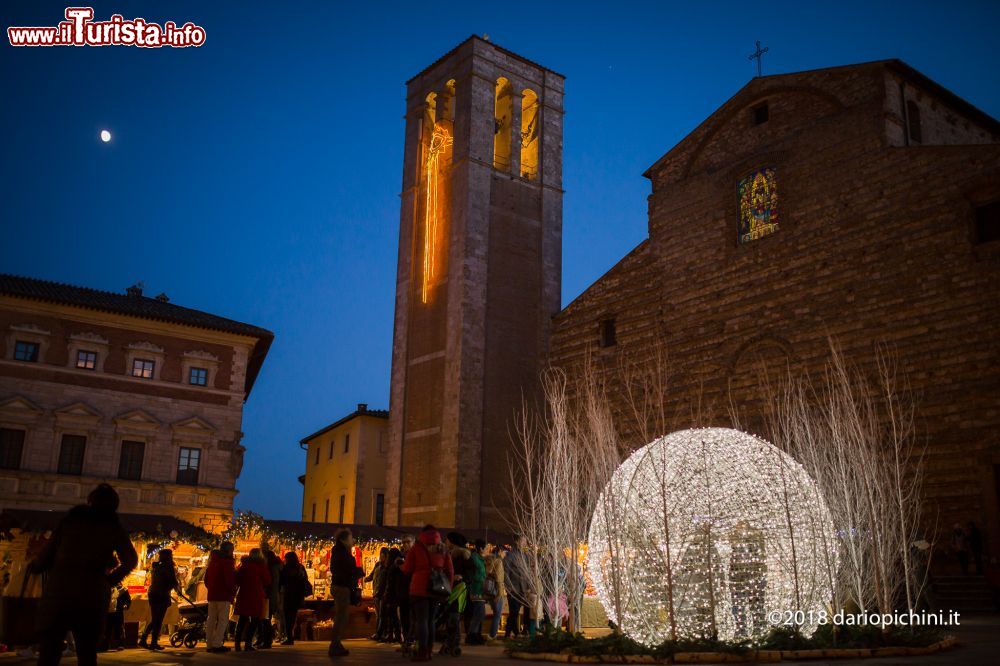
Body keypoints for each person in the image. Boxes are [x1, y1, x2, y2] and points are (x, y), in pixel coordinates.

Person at [29, 483, 138, 666]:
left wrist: (36, 566)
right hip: (91, 594)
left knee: (49, 652)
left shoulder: (71, 520)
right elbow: (130, 560)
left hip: (60, 591)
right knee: (87, 653)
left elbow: (48, 553)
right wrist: (109, 581)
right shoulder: (112, 525)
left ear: (90, 501)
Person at [402, 525, 453, 663]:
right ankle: (429, 651)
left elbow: (407, 570)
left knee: (421, 621)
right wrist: (449, 588)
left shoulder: (416, 548)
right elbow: (450, 571)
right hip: (436, 590)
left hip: (418, 589)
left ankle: (422, 652)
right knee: (430, 621)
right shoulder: (443, 549)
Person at [329, 529, 362, 658]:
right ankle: (335, 644)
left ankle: (337, 644)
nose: (352, 541)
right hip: (342, 587)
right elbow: (347, 570)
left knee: (342, 617)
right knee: (341, 617)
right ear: (343, 540)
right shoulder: (342, 553)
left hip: (340, 586)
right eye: (350, 538)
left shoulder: (339, 552)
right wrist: (357, 571)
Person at [139, 549, 181, 650]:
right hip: (161, 594)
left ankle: (145, 640)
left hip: (153, 593)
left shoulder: (157, 566)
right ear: (169, 556)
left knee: (155, 619)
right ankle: (151, 642)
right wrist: (178, 589)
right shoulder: (168, 567)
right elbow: (172, 581)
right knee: (158, 619)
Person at [234, 548, 271, 651]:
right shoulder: (261, 566)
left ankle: (237, 643)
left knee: (242, 619)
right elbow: (267, 580)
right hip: (256, 594)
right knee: (254, 620)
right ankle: (248, 643)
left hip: (244, 594)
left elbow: (237, 580)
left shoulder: (243, 566)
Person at [204, 542, 238, 653]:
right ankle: (217, 644)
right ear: (229, 550)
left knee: (211, 619)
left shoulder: (212, 561)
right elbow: (229, 580)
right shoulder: (227, 562)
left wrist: (211, 588)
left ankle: (209, 644)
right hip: (223, 595)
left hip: (212, 594)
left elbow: (206, 579)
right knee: (222, 620)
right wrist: (233, 592)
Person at [278, 551, 310, 645]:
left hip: (288, 594)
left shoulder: (286, 568)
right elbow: (305, 580)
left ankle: (289, 637)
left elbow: (282, 581)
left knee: (287, 616)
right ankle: (290, 636)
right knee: (292, 615)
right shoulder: (300, 568)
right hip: (298, 595)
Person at [504, 534, 530, 638]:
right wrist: (509, 587)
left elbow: (527, 573)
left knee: (523, 610)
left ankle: (518, 632)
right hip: (514, 588)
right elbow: (506, 572)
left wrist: (529, 587)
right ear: (517, 542)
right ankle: (508, 634)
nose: (524, 543)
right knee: (513, 612)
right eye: (522, 541)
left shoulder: (526, 556)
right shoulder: (510, 555)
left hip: (523, 589)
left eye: (525, 541)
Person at [257, 546, 282, 648]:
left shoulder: (270, 568)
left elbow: (270, 583)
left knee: (265, 619)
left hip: (268, 596)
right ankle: (265, 640)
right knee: (266, 618)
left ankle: (266, 641)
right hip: (273, 595)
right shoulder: (276, 566)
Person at [365, 547, 390, 640]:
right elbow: (371, 576)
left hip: (383, 594)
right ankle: (379, 633)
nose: (381, 557)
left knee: (382, 615)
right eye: (381, 555)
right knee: (378, 615)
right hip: (376, 593)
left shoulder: (387, 567)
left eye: (383, 555)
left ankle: (380, 634)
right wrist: (366, 578)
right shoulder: (378, 565)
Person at [379, 548, 403, 643]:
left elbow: (390, 582)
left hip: (392, 593)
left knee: (391, 614)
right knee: (392, 615)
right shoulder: (397, 565)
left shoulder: (392, 567)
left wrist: (386, 593)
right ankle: (394, 635)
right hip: (395, 593)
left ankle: (393, 635)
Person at [484, 544, 506, 642]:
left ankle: (491, 634)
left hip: (488, 590)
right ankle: (492, 635)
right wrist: (500, 594)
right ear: (500, 552)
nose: (505, 554)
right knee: (498, 614)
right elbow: (499, 579)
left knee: (494, 613)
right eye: (504, 552)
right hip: (496, 591)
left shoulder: (487, 561)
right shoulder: (499, 562)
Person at [105, 581, 131, 651]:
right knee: (107, 629)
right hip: (108, 612)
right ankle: (105, 645)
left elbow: (128, 599)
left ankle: (120, 644)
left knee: (119, 628)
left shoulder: (122, 589)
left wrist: (126, 605)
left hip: (118, 612)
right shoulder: (107, 588)